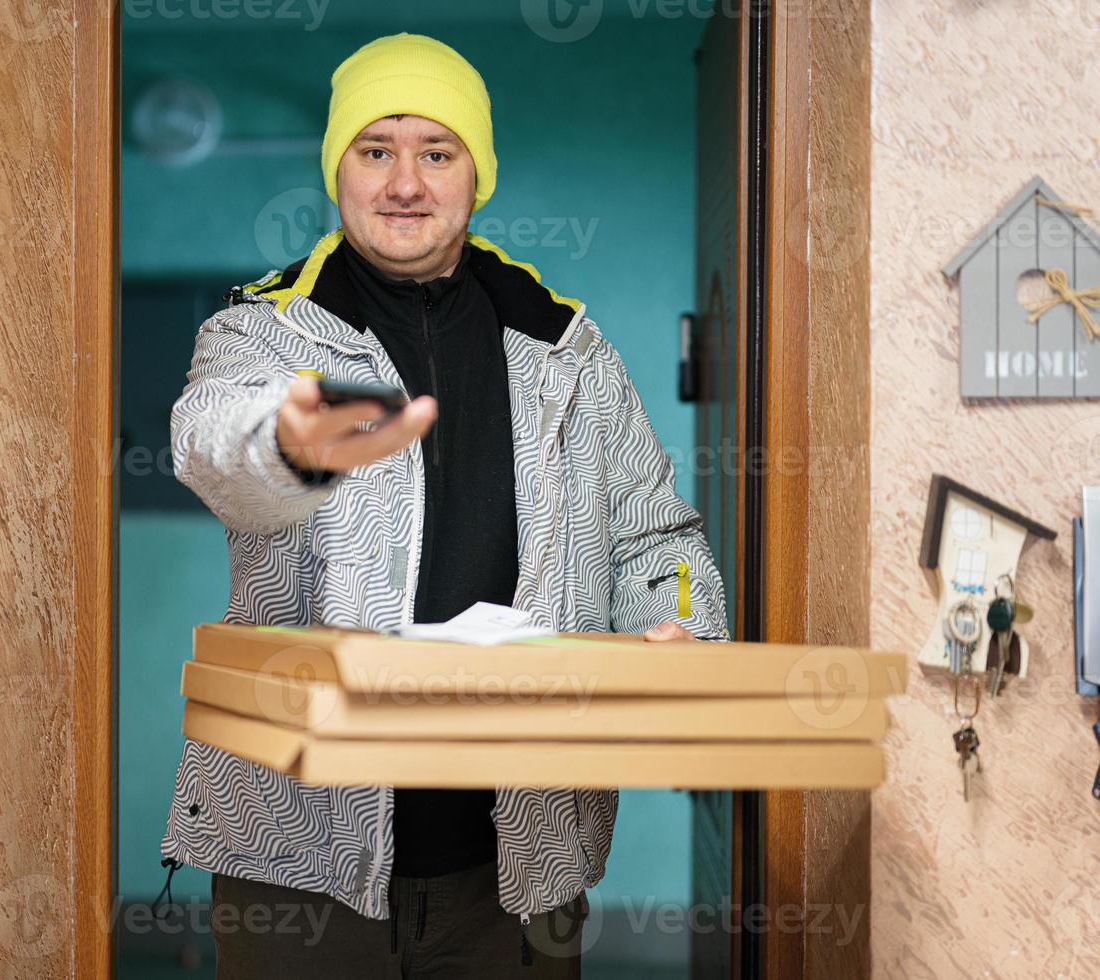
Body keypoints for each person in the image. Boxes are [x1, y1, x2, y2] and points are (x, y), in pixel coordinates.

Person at [158, 32, 730, 978]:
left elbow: (654, 536)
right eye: (375, 151)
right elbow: (211, 445)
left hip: (517, 862)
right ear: (337, 170)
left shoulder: (569, 351)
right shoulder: (259, 333)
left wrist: (678, 628)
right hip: (300, 863)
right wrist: (288, 442)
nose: (404, 183)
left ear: (478, 175)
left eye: (437, 152)